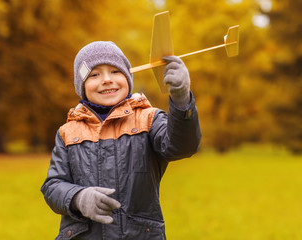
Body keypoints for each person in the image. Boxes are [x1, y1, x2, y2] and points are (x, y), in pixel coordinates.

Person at [41, 41, 201, 239]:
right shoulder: (68, 131)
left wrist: (181, 99)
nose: (107, 80)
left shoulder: (149, 119)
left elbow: (182, 147)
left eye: (115, 71)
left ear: (128, 76)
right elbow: (53, 185)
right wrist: (77, 198)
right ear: (81, 85)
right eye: (94, 75)